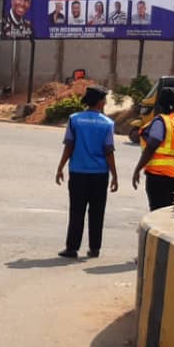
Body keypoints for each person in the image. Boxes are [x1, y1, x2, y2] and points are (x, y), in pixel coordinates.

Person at [56, 86, 118, 259]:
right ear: (99, 102)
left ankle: (72, 248)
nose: (105, 102)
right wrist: (114, 175)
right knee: (97, 212)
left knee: (76, 211)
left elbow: (69, 145)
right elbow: (109, 151)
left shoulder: (74, 120)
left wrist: (60, 167)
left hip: (78, 172)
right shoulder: (107, 123)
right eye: (104, 99)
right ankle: (94, 248)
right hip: (100, 174)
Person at [131, 87, 174, 210]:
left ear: (160, 103)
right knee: (168, 211)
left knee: (156, 209)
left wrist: (138, 169)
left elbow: (151, 146)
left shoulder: (160, 122)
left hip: (158, 175)